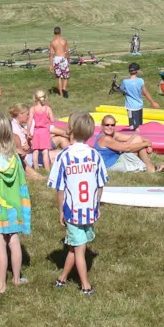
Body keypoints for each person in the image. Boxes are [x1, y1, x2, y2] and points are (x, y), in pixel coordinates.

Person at [49, 112, 108, 294]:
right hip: (89, 209)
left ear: (70, 129)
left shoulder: (64, 156)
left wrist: (61, 210)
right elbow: (100, 184)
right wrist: (96, 205)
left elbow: (59, 188)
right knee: (78, 247)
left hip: (72, 210)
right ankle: (76, 282)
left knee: (78, 248)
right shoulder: (95, 155)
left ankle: (75, 283)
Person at [0, 114, 31, 293]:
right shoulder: (15, 158)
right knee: (14, 241)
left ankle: (0, 282)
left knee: (0, 244)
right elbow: (21, 182)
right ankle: (17, 278)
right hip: (14, 207)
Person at [95, 114, 164, 173]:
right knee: (138, 146)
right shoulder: (105, 138)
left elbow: (135, 137)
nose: (110, 127)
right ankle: (150, 168)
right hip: (111, 165)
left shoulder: (112, 134)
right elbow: (127, 148)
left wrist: (147, 142)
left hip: (117, 159)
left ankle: (149, 167)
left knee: (137, 138)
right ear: (102, 125)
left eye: (112, 125)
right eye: (107, 125)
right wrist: (146, 144)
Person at [120, 62, 160, 130]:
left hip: (130, 107)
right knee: (139, 125)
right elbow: (145, 93)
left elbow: (121, 89)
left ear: (129, 71)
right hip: (139, 106)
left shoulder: (125, 82)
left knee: (133, 127)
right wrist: (153, 103)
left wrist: (125, 92)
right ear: (137, 71)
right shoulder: (140, 81)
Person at [28, 89, 56, 170]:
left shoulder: (33, 109)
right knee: (45, 151)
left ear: (35, 98)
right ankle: (47, 169)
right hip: (45, 132)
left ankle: (36, 167)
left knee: (35, 151)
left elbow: (29, 120)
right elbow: (52, 120)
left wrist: (29, 131)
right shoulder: (47, 108)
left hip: (36, 131)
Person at [49, 26, 70, 98]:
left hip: (56, 58)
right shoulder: (64, 41)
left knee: (59, 77)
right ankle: (64, 88)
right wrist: (68, 60)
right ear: (60, 32)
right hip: (63, 58)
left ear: (54, 33)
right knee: (66, 76)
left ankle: (61, 94)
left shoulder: (52, 42)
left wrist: (51, 65)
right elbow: (67, 52)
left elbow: (51, 54)